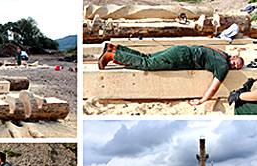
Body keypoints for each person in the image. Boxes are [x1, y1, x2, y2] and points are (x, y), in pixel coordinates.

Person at [98, 43, 244, 105]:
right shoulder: (223, 65)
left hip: (180, 51)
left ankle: (115, 48)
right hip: (180, 58)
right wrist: (202, 100)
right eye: (235, 63)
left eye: (236, 67)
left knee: (147, 57)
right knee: (147, 64)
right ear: (233, 57)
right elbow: (214, 88)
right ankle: (112, 55)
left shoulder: (222, 54)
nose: (234, 66)